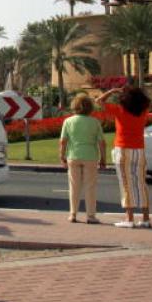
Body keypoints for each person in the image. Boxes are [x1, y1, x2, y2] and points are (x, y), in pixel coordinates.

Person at [97, 85, 151, 228]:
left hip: (123, 148)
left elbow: (99, 101)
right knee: (141, 183)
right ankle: (146, 218)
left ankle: (129, 218)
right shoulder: (144, 110)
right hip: (139, 149)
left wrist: (112, 90)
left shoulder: (120, 110)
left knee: (126, 183)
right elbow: (148, 101)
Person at [59, 93, 106, 224]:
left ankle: (73, 214)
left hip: (73, 155)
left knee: (74, 186)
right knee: (90, 186)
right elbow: (101, 142)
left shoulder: (68, 121)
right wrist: (103, 159)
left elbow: (63, 141)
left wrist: (61, 156)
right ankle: (90, 215)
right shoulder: (95, 122)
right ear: (90, 107)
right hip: (90, 156)